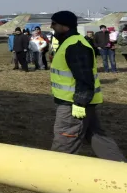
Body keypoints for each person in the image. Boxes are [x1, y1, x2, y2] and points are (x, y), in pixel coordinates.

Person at [47, 11, 125, 161]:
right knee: (98, 137)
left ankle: (56, 175)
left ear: (65, 26)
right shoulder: (71, 43)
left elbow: (84, 77)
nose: (52, 26)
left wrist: (79, 103)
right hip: (81, 103)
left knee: (65, 141)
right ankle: (120, 170)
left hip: (74, 105)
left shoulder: (75, 45)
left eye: (54, 23)